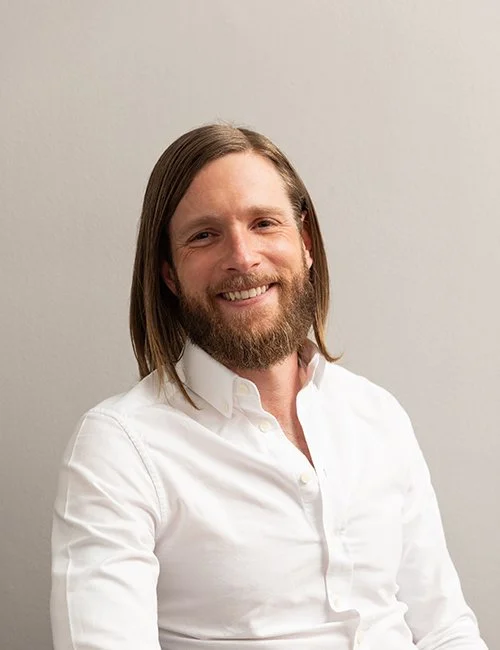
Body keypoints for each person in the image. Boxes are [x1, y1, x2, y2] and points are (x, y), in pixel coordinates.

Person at [51, 124, 488, 650]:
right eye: (204, 235)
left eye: (263, 223)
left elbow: (444, 629)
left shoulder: (377, 413)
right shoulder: (120, 447)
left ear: (305, 244)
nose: (242, 257)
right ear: (168, 274)